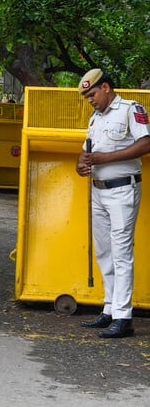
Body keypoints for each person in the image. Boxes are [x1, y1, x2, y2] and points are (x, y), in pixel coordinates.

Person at [75, 69, 150, 339]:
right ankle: (109, 308)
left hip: (122, 191)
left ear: (106, 87)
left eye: (92, 94)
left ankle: (123, 316)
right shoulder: (95, 118)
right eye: (87, 97)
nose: (90, 100)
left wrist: (104, 159)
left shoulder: (131, 109)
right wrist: (81, 164)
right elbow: (86, 150)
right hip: (98, 192)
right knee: (104, 252)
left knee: (121, 252)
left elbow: (145, 144)